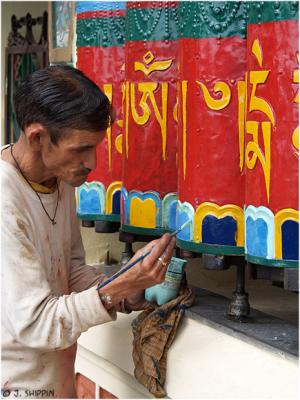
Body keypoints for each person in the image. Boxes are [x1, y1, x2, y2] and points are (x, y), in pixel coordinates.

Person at [1, 65, 175, 399]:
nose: (92, 161)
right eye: (81, 149)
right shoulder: (5, 202)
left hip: (56, 381)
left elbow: (71, 271)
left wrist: (130, 288)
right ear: (37, 137)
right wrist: (120, 285)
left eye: (94, 147)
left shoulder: (58, 179)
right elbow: (37, 324)